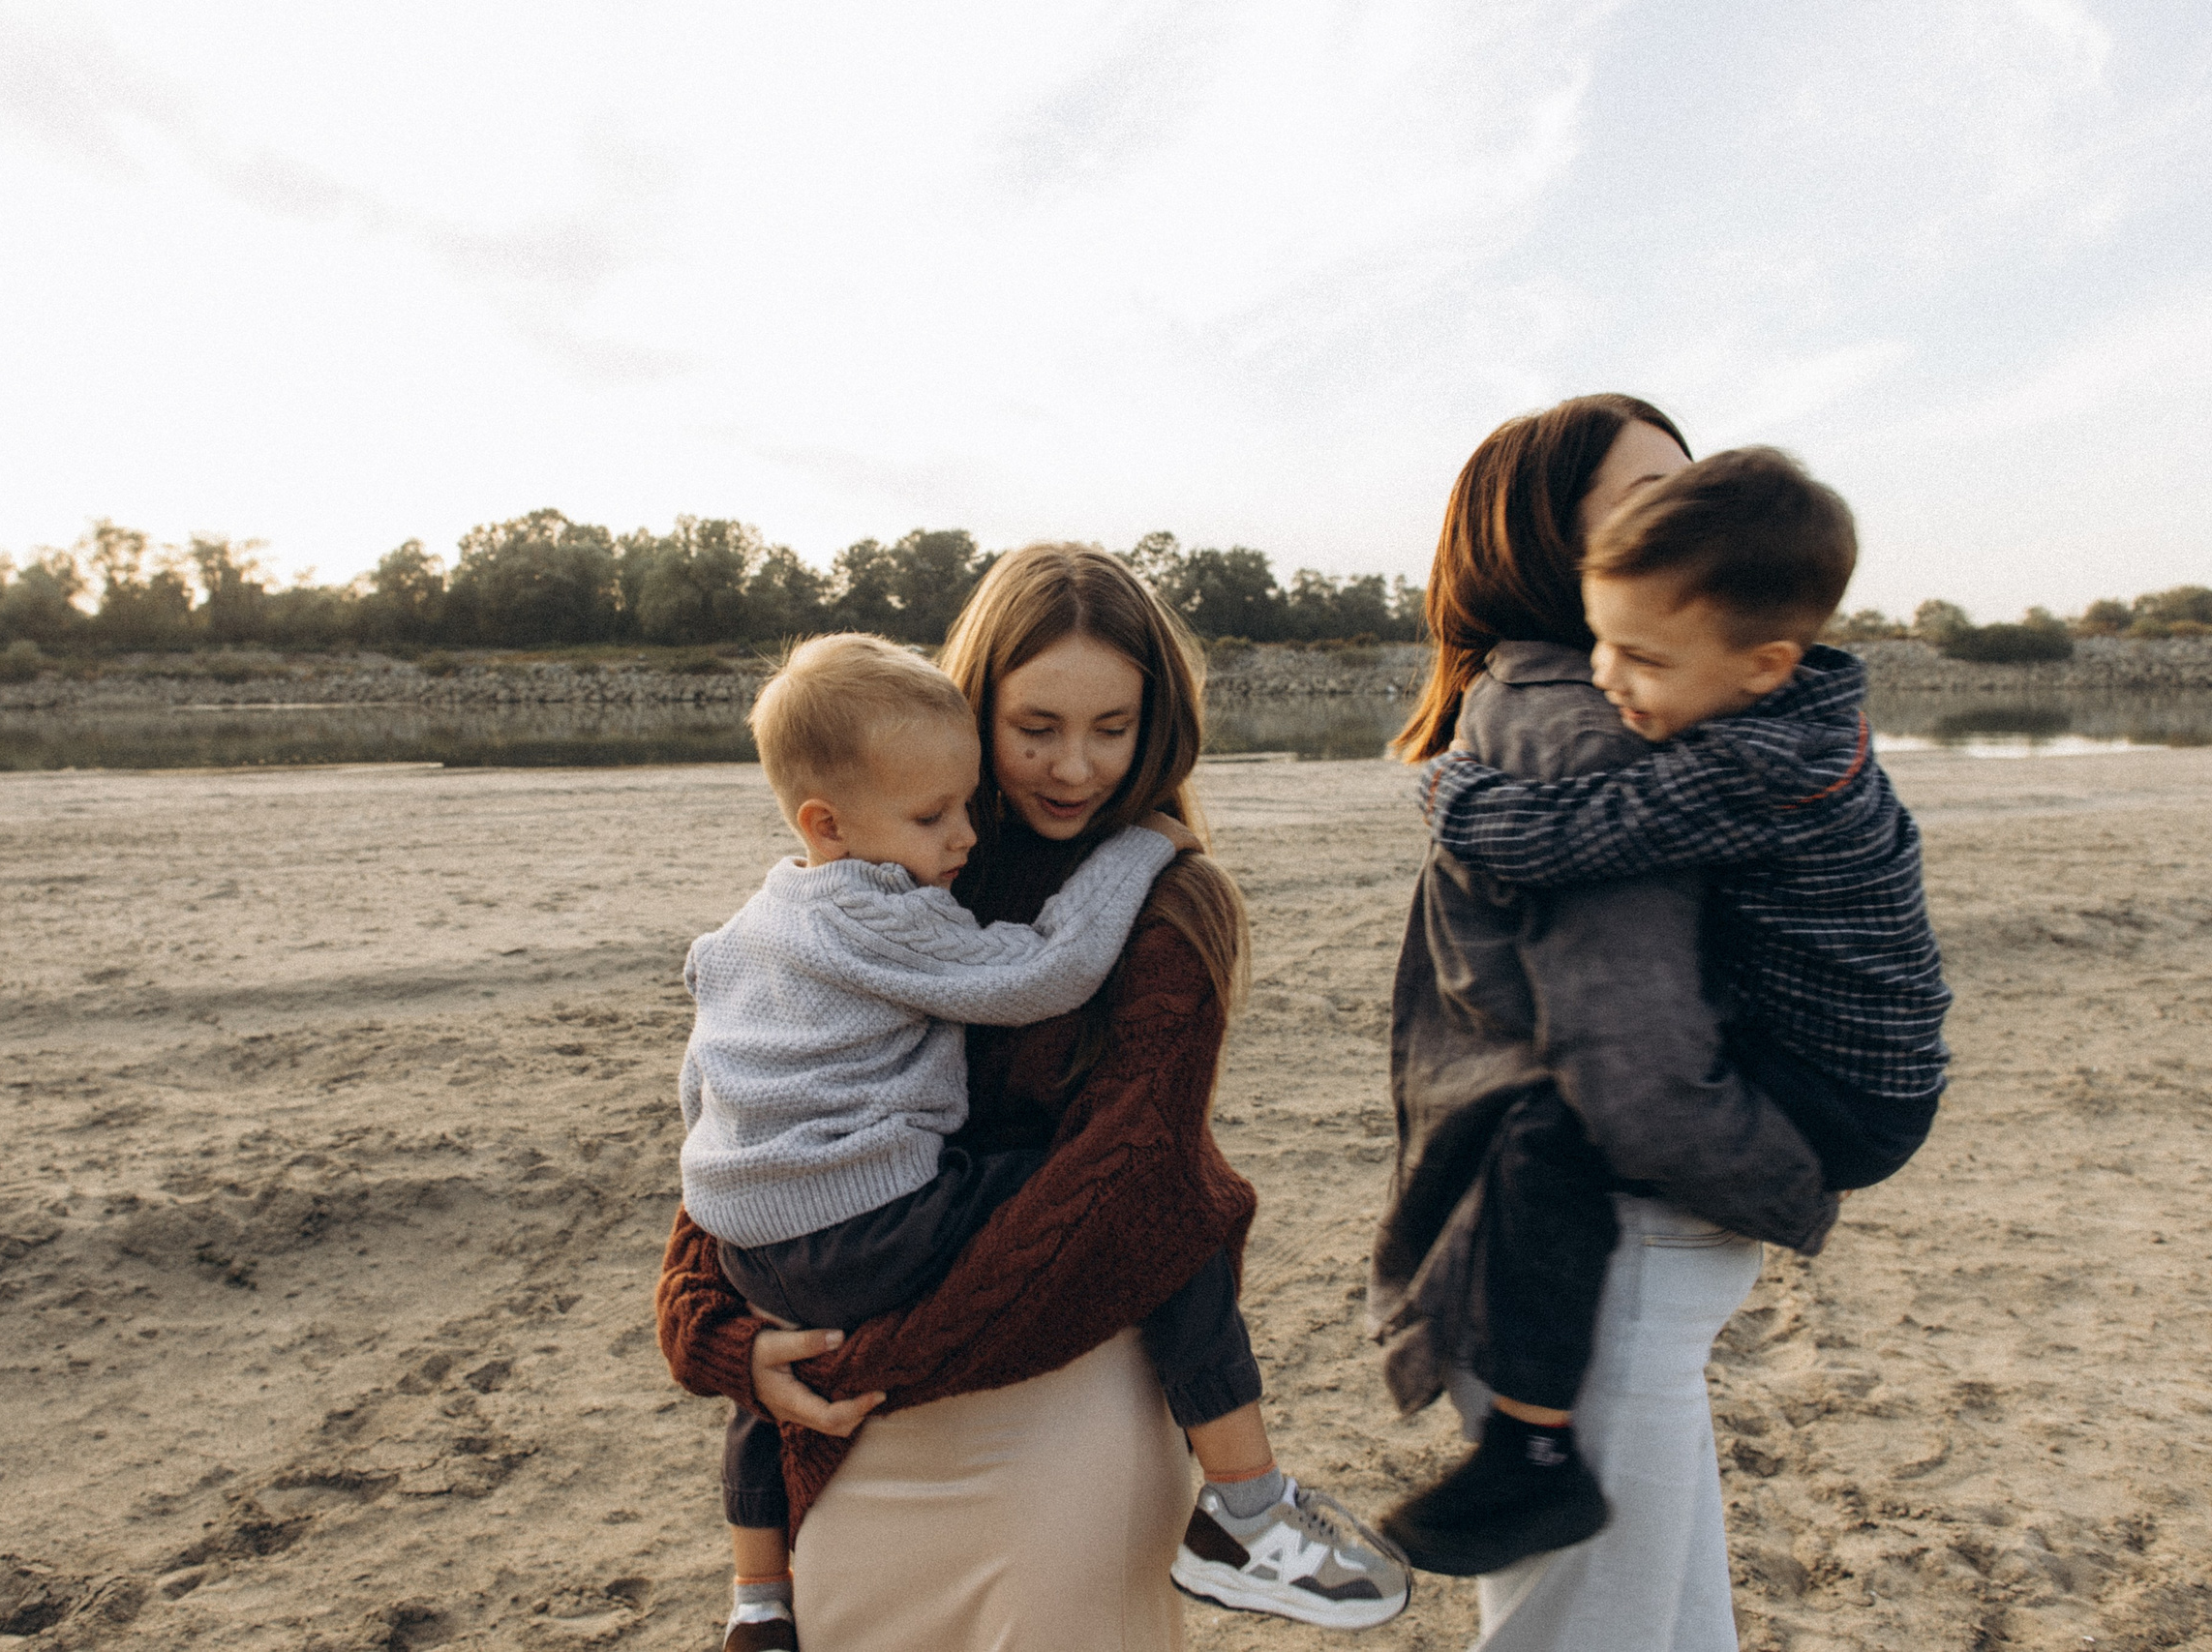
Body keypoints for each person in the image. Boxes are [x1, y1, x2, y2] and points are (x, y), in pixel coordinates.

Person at [659, 546, 1410, 1651]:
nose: (1074, 768)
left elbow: (1122, 1192)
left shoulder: (1165, 904)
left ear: (1156, 722)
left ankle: (1244, 1512)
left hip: (1057, 1404)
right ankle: (760, 1601)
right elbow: (744, 1112)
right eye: (1036, 728)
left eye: (1111, 728)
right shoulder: (898, 862)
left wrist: (864, 1356)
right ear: (975, 709)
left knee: (1184, 1197)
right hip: (861, 1422)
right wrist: (716, 1338)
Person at [1382, 445, 1953, 1577]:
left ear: (1762, 664)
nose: (1605, 677)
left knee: (1551, 1142)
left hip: (1838, 1093)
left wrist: (1447, 784)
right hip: (1850, 1060)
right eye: (1599, 641)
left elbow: (1557, 837)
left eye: (1638, 655)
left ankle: (1533, 1454)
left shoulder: (1749, 764)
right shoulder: (1786, 708)